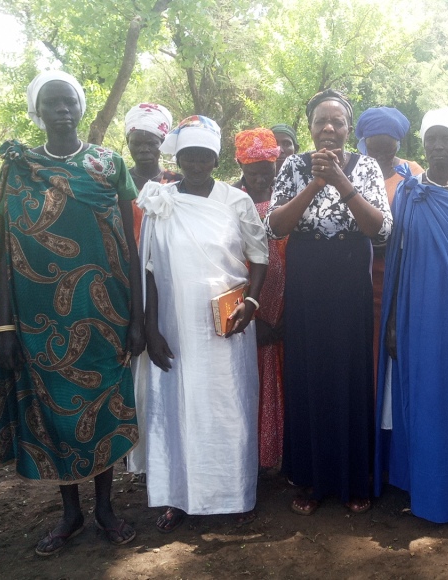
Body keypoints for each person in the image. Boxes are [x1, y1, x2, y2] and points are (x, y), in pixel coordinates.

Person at [0, 70, 144, 556]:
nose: (62, 110)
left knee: (104, 410)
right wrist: (5, 326)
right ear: (38, 110)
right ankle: (70, 512)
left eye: (69, 101)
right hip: (40, 322)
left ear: (80, 107)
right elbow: (3, 253)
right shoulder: (19, 169)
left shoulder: (108, 163)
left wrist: (138, 317)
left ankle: (106, 508)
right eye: (52, 103)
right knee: (57, 412)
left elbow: (131, 243)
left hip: (105, 314)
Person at [134, 116, 268, 532]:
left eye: (204, 155)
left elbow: (258, 256)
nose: (196, 162)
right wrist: (152, 330)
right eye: (188, 154)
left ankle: (235, 492)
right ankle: (176, 495)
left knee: (229, 407)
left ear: (214, 158)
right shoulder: (161, 198)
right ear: (179, 156)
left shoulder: (235, 200)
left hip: (227, 325)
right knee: (177, 407)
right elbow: (150, 271)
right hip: (174, 325)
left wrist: (251, 300)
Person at [266, 89, 391, 515]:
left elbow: (381, 229)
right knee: (310, 373)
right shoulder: (293, 166)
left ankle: (355, 480)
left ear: (348, 128)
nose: (329, 128)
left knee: (351, 373)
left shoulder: (367, 167)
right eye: (321, 121)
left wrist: (341, 181)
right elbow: (276, 227)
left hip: (350, 280)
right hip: (308, 281)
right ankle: (310, 480)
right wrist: (316, 181)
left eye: (337, 122)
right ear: (310, 126)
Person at [373, 108, 448, 523]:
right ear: (422, 145)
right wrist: (391, 321)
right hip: (416, 306)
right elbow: (399, 257)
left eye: (446, 140)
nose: (439, 147)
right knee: (420, 391)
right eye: (431, 140)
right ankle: (418, 482)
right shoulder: (408, 190)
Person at [355, 106, 423, 382]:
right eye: (375, 149)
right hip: (359, 273)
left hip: (398, 276)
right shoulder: (354, 172)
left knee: (394, 344)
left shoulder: (413, 174)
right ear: (363, 144)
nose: (381, 157)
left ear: (398, 144)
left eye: (388, 149)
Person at [234, 128, 287, 470]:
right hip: (246, 303)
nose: (259, 180)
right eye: (252, 173)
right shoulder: (227, 200)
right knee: (248, 380)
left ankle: (279, 455)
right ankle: (249, 456)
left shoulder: (287, 198)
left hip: (284, 304)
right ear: (241, 165)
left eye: (266, 173)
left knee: (281, 376)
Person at [124, 103, 180, 244]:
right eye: (136, 143)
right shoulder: (119, 182)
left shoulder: (178, 183)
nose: (144, 149)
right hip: (128, 261)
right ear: (128, 143)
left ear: (162, 143)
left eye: (151, 143)